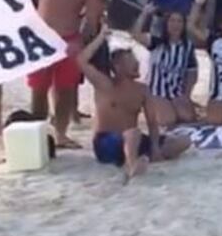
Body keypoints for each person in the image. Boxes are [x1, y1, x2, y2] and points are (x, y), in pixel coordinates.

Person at [18, 0, 103, 148]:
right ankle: (38, 133)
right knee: (38, 90)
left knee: (65, 91)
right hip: (41, 41)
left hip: (69, 41)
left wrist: (80, 42)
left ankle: (61, 134)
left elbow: (91, 22)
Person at [77, 25, 192, 181]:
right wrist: (100, 37)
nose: (137, 63)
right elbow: (81, 61)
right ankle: (131, 166)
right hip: (107, 142)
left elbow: (152, 123)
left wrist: (155, 147)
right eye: (131, 61)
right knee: (132, 133)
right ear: (118, 66)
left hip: (132, 141)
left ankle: (142, 157)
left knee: (183, 141)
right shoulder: (105, 84)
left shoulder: (142, 90)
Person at [128, 3, 198, 128]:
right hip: (156, 91)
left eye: (179, 21)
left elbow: (192, 72)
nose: (176, 25)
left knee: (188, 118)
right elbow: (136, 35)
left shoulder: (187, 46)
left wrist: (186, 95)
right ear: (166, 23)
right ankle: (150, 107)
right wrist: (144, 14)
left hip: (177, 92)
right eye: (172, 21)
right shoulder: (156, 41)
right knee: (168, 120)